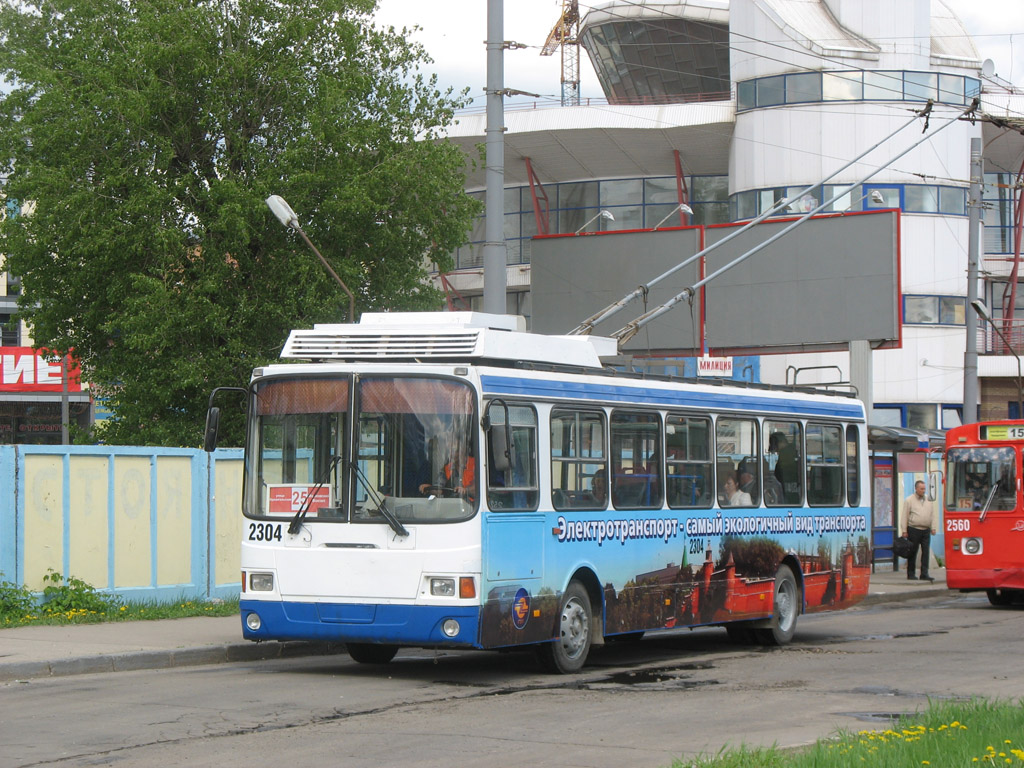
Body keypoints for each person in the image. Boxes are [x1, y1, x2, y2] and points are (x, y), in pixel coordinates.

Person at [901, 480, 936, 581]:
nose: (923, 491)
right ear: (916, 489)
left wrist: (933, 527)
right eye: (921, 489)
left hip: (926, 530)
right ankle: (911, 573)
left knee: (925, 552)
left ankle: (924, 573)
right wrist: (904, 530)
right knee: (913, 552)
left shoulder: (928, 500)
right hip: (914, 529)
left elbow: (932, 515)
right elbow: (905, 516)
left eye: (924, 489)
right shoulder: (909, 500)